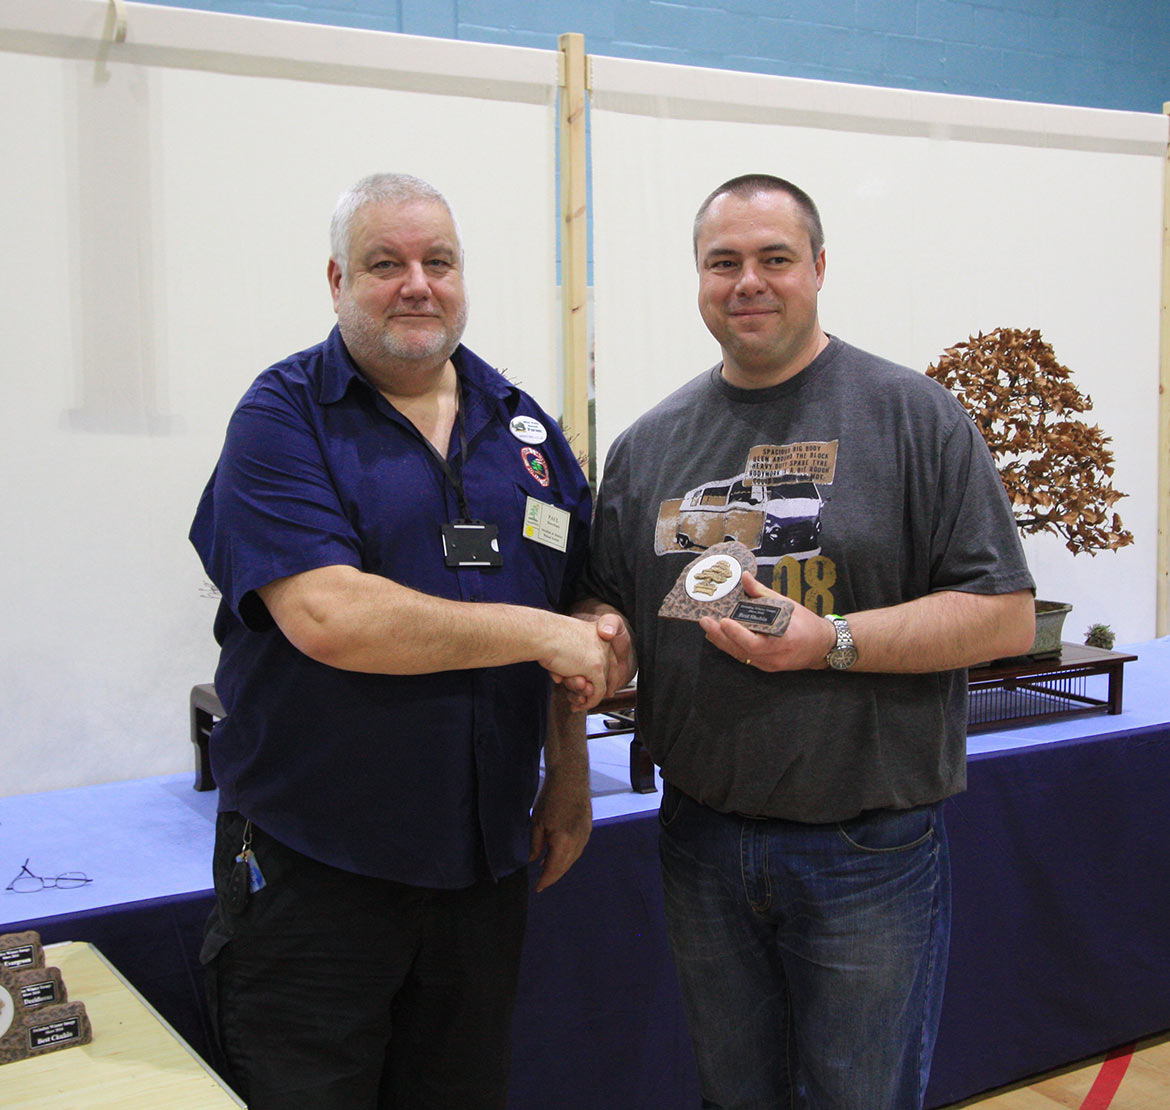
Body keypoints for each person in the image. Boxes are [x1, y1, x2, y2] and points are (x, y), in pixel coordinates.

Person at [575, 174, 1036, 1108]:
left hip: (867, 850)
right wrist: (603, 637)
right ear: (699, 278)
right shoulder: (648, 446)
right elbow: (609, 606)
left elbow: (1004, 614)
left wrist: (834, 641)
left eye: (774, 258)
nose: (748, 281)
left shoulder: (913, 418)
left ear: (819, 267)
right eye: (723, 262)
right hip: (700, 838)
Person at [189, 172, 620, 1110]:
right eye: (386, 264)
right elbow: (331, 616)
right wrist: (543, 631)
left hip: (482, 867)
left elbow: (578, 605)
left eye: (440, 262)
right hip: (318, 869)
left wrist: (570, 774)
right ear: (338, 280)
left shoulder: (522, 427)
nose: (417, 285)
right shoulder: (282, 418)